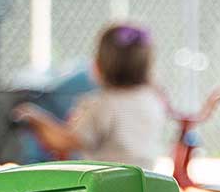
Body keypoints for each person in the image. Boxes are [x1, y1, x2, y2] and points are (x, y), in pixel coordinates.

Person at [14, 23, 168, 167]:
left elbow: (66, 140)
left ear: (98, 66)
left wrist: (36, 118)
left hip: (107, 186)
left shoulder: (102, 105)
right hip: (144, 182)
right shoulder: (152, 99)